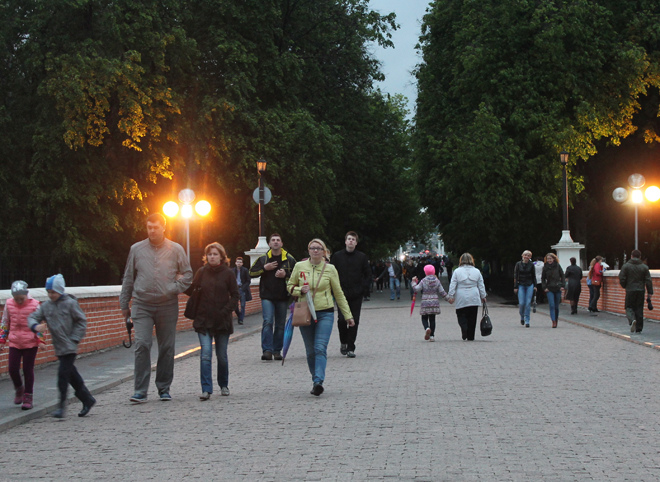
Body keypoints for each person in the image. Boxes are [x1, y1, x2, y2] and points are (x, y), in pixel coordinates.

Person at [120, 213, 193, 403]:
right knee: (142, 344)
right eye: (149, 227)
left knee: (167, 347)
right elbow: (128, 277)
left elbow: (188, 274)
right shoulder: (136, 249)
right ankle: (140, 390)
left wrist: (173, 289)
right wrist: (124, 304)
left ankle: (163, 388)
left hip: (167, 305)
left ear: (164, 227)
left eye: (155, 227)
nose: (152, 230)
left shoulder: (176, 249)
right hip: (141, 304)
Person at [287, 239, 354, 396]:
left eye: (319, 248)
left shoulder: (330, 269)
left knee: (320, 348)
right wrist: (298, 290)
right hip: (306, 312)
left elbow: (338, 293)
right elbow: (289, 286)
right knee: (310, 351)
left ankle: (318, 381)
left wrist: (348, 315)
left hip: (325, 312)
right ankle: (315, 378)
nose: (315, 251)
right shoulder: (299, 266)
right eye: (312, 248)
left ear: (324, 252)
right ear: (308, 250)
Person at [28, 275, 95, 418]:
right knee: (72, 375)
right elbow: (33, 317)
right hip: (59, 347)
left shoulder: (70, 304)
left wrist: (75, 338)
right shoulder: (46, 306)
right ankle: (87, 399)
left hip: (70, 346)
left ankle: (61, 406)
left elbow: (81, 321)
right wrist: (35, 326)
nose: (51, 295)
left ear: (60, 290)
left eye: (53, 292)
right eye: (49, 292)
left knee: (62, 375)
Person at [186, 243, 239, 400]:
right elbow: (192, 291)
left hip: (222, 320)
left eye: (215, 254)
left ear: (221, 257)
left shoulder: (228, 274)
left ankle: (223, 384)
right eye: (209, 254)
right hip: (204, 319)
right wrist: (178, 281)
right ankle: (206, 389)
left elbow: (236, 295)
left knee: (221, 355)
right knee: (205, 354)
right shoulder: (201, 272)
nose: (212, 257)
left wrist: (225, 311)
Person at [249, 233, 296, 361]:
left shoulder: (289, 259)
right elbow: (251, 273)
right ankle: (267, 350)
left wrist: (285, 274)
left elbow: (298, 276)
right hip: (267, 296)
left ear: (281, 244)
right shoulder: (263, 259)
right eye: (273, 240)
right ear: (269, 244)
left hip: (282, 297)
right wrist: (264, 268)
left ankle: (277, 351)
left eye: (278, 240)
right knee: (268, 321)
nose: (275, 242)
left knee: (280, 325)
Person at [0, 281, 44, 410]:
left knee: (27, 369)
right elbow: (5, 323)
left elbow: (40, 325)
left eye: (21, 299)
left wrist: (40, 340)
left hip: (30, 342)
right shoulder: (9, 305)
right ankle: (19, 387)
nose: (19, 301)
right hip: (15, 341)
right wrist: (2, 340)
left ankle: (28, 396)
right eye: (16, 299)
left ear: (27, 295)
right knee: (12, 368)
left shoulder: (35, 305)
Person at [330, 231, 371, 358]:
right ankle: (343, 341)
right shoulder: (337, 256)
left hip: (356, 294)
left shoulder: (362, 257)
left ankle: (350, 347)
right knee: (342, 320)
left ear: (356, 242)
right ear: (345, 241)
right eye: (349, 239)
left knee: (354, 320)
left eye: (353, 239)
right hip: (341, 293)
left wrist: (363, 289)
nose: (351, 241)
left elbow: (368, 274)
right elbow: (331, 273)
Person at [446, 253, 487, 341]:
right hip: (474, 294)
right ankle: (471, 335)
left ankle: (464, 327)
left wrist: (451, 296)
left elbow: (453, 284)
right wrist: (483, 296)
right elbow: (481, 285)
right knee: (473, 316)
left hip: (461, 294)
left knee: (460, 314)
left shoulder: (457, 271)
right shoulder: (476, 271)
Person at [619, 249, 654, 333]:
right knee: (639, 308)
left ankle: (632, 320)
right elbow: (648, 280)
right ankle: (639, 328)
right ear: (640, 257)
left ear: (631, 256)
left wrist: (625, 285)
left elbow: (622, 278)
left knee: (628, 307)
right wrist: (650, 292)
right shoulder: (644, 267)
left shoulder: (626, 266)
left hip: (630, 289)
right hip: (641, 290)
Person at [412, 264, 449, 342]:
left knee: (424, 317)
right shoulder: (436, 281)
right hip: (434, 301)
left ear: (425, 272)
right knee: (432, 319)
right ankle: (432, 336)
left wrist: (413, 282)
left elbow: (416, 289)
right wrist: (448, 299)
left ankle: (427, 328)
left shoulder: (423, 281)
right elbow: (442, 292)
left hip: (425, 301)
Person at [514, 250, 536, 328]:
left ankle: (527, 320)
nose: (526, 257)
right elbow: (516, 276)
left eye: (528, 255)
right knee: (522, 303)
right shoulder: (518, 264)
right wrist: (515, 286)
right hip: (521, 285)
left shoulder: (531, 265)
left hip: (529, 284)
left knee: (528, 303)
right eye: (525, 255)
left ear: (530, 257)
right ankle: (522, 316)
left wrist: (535, 286)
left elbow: (534, 276)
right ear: (522, 255)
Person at [542, 253, 565, 328]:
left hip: (558, 287)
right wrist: (544, 287)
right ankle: (553, 321)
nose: (549, 260)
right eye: (548, 259)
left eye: (550, 259)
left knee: (556, 306)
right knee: (551, 305)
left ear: (554, 259)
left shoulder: (557, 266)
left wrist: (563, 285)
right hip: (549, 288)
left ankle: (556, 318)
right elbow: (542, 278)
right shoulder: (545, 267)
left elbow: (562, 276)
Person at [232, 257, 252, 325]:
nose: (239, 263)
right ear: (235, 263)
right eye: (237, 262)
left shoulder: (245, 270)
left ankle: (241, 320)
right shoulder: (232, 270)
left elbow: (248, 280)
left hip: (242, 289)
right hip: (235, 289)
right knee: (235, 305)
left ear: (242, 263)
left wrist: (243, 288)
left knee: (243, 305)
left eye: (240, 262)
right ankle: (240, 315)